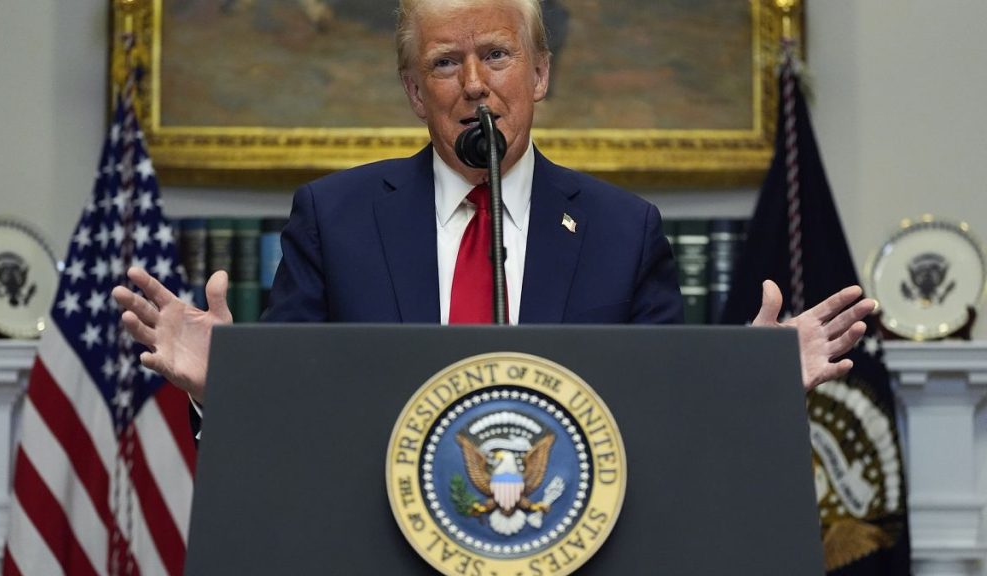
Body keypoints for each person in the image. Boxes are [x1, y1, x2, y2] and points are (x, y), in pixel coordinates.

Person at [113, 0, 874, 407]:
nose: (474, 83)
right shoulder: (335, 218)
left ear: (539, 73)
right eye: (446, 62)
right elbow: (296, 419)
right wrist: (229, 389)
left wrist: (753, 385)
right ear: (416, 93)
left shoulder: (622, 230)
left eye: (497, 55)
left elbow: (661, 413)